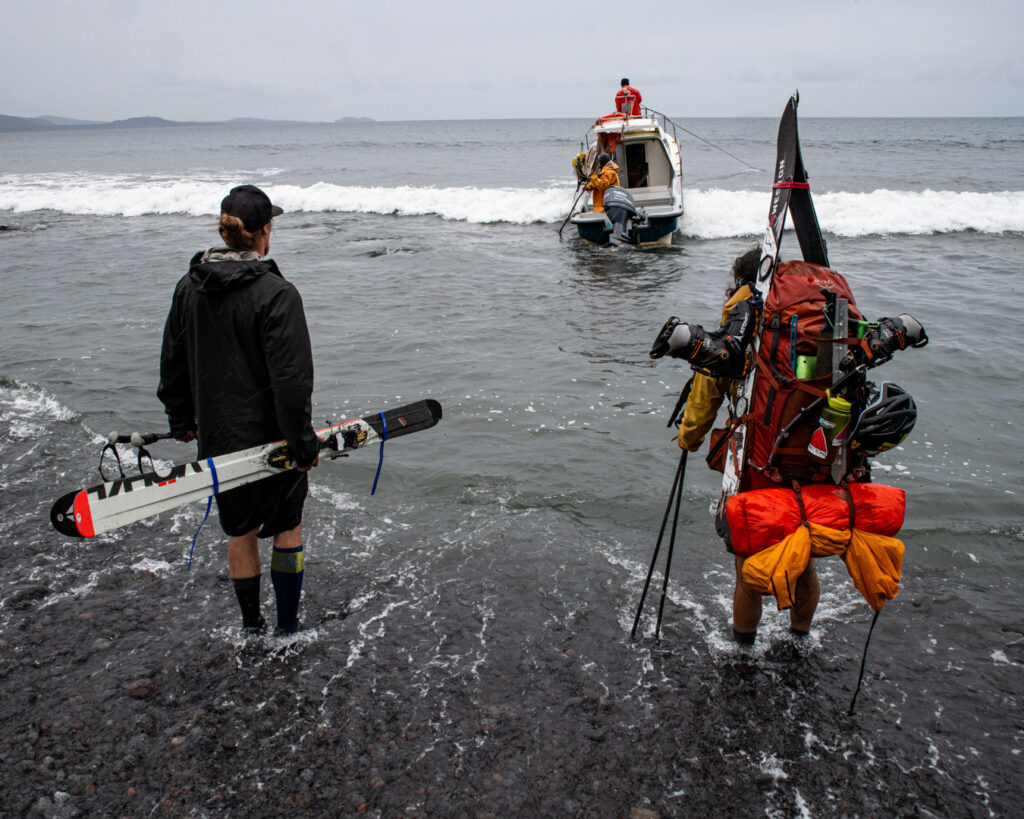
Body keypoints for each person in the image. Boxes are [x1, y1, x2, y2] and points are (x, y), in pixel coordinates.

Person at [158, 184, 318, 635]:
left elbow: (172, 360)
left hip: (218, 436)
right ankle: (287, 629)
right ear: (265, 231)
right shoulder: (277, 293)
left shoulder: (189, 287)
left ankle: (251, 628)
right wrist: (303, 445)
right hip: (273, 439)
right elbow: (292, 383)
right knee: (287, 526)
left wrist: (182, 420)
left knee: (239, 531)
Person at [674, 248, 820, 646]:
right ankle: (800, 639)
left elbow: (709, 389)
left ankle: (742, 648)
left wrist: (690, 437)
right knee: (802, 551)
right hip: (813, 451)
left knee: (749, 558)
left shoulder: (743, 316)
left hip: (758, 453)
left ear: (740, 278)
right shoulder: (810, 315)